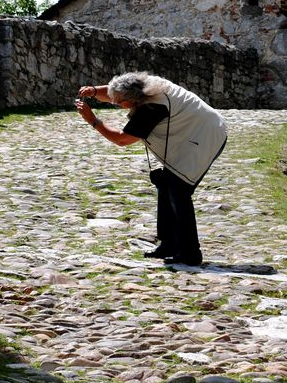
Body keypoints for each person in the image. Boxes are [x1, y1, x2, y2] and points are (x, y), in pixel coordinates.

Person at [75, 73, 227, 266]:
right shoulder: (144, 86)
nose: (115, 104)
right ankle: (169, 245)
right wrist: (95, 91)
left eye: (118, 103)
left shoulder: (152, 107)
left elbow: (122, 139)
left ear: (131, 101)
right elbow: (117, 92)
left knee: (178, 191)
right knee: (166, 184)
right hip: (192, 132)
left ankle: (190, 253)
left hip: (206, 137)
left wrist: (93, 120)